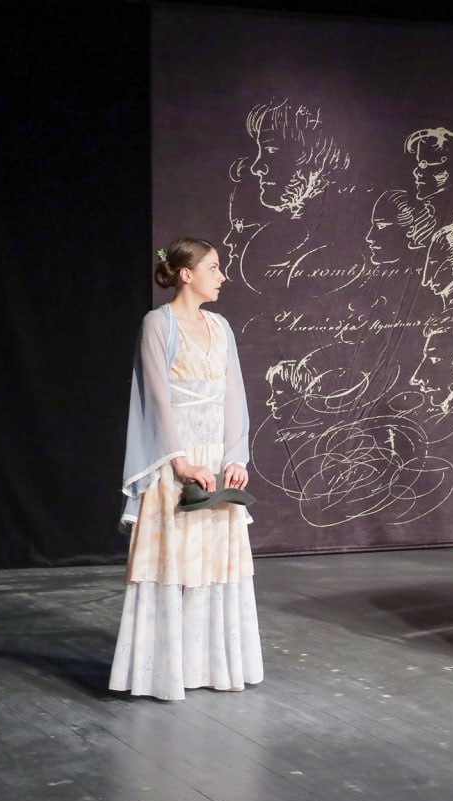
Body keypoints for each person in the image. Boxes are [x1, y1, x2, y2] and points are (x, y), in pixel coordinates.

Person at [110, 238, 263, 699]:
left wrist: (235, 457)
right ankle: (165, 670)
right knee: (174, 561)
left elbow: (234, 394)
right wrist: (180, 463)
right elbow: (156, 397)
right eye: (214, 268)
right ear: (186, 274)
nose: (222, 276)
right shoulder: (158, 324)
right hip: (175, 459)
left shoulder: (221, 326)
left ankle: (210, 666)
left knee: (212, 561)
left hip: (214, 459)